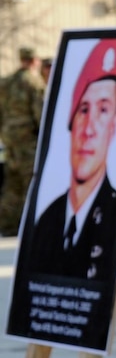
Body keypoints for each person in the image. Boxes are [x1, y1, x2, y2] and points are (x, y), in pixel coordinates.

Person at [26, 37, 116, 282]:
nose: (89, 129)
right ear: (71, 123)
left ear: (114, 125)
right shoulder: (46, 220)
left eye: (103, 110)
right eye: (83, 110)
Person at [0, 44, 46, 234]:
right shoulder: (33, 82)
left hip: (10, 138)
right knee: (31, 181)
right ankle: (32, 225)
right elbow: (40, 112)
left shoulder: (6, 82)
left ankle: (8, 224)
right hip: (28, 139)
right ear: (34, 60)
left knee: (12, 184)